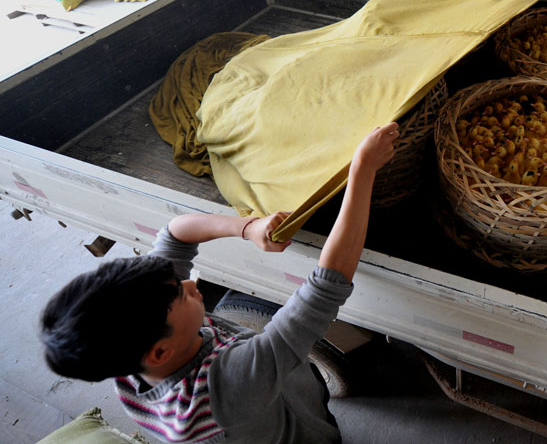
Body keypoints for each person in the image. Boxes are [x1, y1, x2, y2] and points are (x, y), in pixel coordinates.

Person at [39, 122, 400, 444]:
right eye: (183, 295)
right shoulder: (230, 388)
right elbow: (326, 287)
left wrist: (248, 227)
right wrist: (362, 170)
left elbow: (175, 234)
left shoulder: (130, 360)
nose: (193, 286)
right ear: (161, 352)